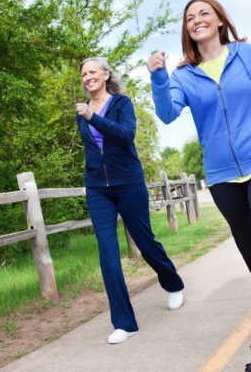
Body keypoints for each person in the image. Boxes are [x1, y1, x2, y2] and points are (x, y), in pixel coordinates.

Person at [147, 0, 251, 372]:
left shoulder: (248, 55)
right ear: (186, 30)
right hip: (222, 175)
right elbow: (168, 114)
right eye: (190, 18)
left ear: (220, 20)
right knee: (250, 248)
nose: (197, 20)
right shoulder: (184, 76)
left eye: (204, 13)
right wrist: (158, 77)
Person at [75, 57, 185, 345]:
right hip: (99, 189)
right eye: (83, 74)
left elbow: (126, 136)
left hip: (129, 184)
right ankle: (124, 322)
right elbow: (91, 150)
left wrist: (92, 117)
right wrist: (89, 181)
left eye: (92, 72)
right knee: (107, 252)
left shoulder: (122, 104)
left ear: (106, 74)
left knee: (145, 242)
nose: (87, 77)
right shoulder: (82, 112)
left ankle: (172, 283)